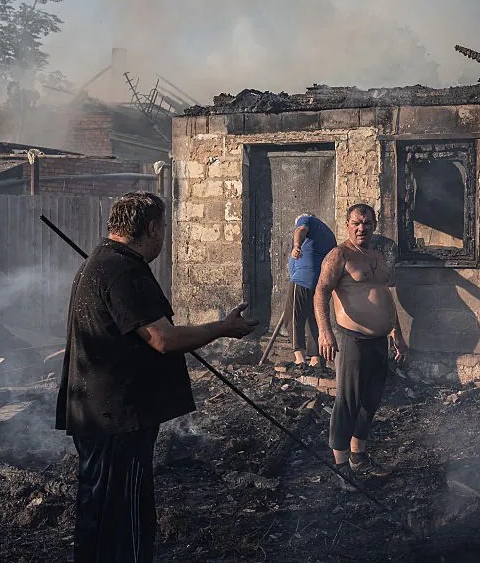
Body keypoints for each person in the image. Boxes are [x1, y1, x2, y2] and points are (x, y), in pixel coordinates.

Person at [55, 191, 258, 562]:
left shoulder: (100, 262)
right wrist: (222, 328)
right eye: (163, 226)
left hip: (97, 413)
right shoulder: (123, 271)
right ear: (151, 228)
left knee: (99, 511)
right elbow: (163, 340)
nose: (164, 235)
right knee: (126, 519)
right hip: (118, 418)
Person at [314, 203, 409, 489]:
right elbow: (321, 291)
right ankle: (342, 470)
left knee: (371, 400)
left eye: (367, 223)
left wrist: (397, 332)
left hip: (379, 341)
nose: (361, 228)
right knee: (348, 401)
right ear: (347, 224)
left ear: (374, 225)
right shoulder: (339, 255)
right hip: (352, 339)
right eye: (356, 223)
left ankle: (359, 458)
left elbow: (385, 297)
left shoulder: (378, 256)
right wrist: (324, 332)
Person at [288, 213, 337, 366]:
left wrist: (296, 246)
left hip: (302, 279)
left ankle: (299, 358)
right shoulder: (328, 234)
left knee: (293, 317)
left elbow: (300, 229)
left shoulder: (307, 219)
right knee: (314, 319)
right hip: (320, 282)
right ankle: (316, 359)